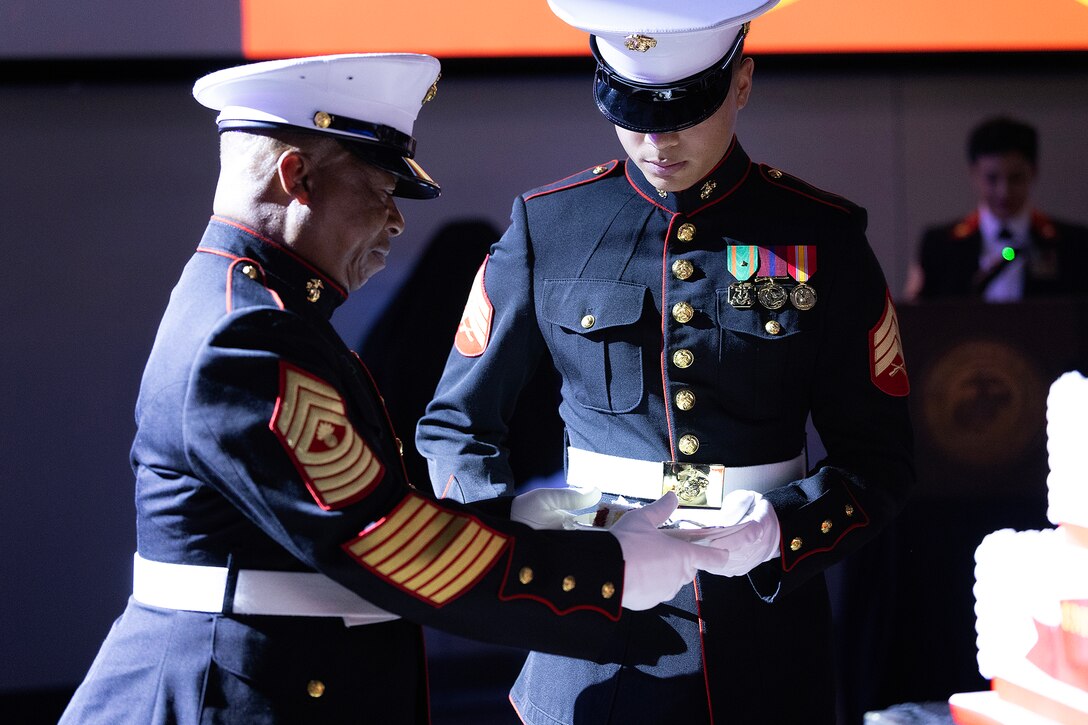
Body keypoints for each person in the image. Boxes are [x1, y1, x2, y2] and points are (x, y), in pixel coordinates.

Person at [57, 53, 743, 725]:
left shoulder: (259, 312)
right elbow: (383, 536)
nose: (395, 221)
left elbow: (372, 510)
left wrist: (519, 522)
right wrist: (607, 571)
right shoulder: (247, 337)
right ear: (297, 176)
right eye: (381, 190)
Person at [416, 2, 915, 723]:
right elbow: (456, 425)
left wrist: (780, 527)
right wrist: (507, 547)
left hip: (760, 639)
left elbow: (882, 459)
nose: (657, 138)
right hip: (590, 627)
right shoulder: (551, 226)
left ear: (742, 82)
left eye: (684, 109)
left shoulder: (821, 236)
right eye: (632, 110)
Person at [905, 115, 1088, 302]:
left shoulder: (1072, 244)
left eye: (1015, 178)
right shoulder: (940, 245)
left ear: (1033, 173)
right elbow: (921, 317)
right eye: (992, 179)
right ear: (974, 174)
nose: (1004, 192)